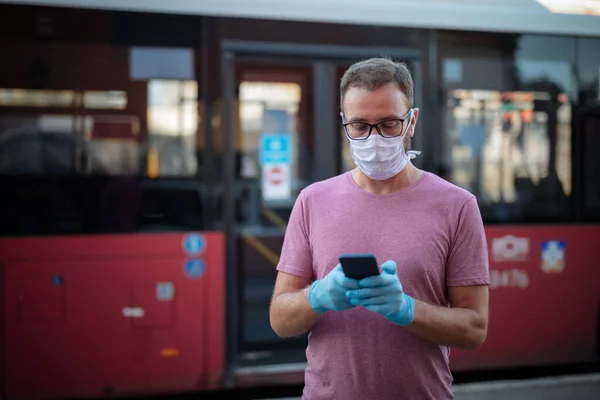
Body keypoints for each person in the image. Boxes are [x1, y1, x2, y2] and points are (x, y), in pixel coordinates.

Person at [269, 57, 490, 400]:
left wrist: (406, 309)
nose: (373, 139)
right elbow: (281, 321)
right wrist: (318, 297)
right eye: (359, 126)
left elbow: (474, 329)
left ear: (411, 120)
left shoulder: (457, 206)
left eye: (389, 124)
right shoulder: (313, 201)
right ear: (344, 124)